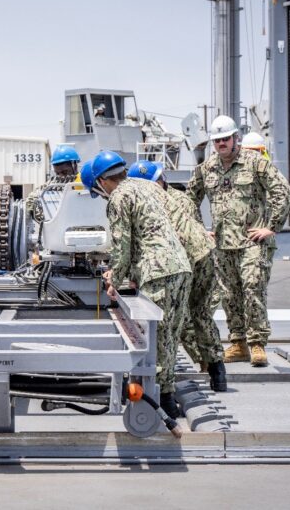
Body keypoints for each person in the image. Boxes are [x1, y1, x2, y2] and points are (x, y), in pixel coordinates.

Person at [83, 152, 192, 418]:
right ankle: (167, 402)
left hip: (157, 272)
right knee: (170, 338)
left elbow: (122, 246)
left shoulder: (118, 197)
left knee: (153, 340)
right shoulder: (146, 186)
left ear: (102, 182)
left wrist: (115, 280)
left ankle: (155, 407)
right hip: (181, 266)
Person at [187, 115, 290, 367]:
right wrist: (200, 230)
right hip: (223, 245)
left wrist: (271, 227)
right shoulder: (207, 168)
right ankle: (238, 343)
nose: (222, 144)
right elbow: (189, 198)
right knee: (229, 295)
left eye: (226, 139)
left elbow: (283, 192)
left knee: (253, 289)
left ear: (236, 138)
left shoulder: (255, 163)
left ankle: (257, 344)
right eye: (217, 140)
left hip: (251, 243)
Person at [128, 160, 226, 391]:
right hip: (202, 256)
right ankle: (216, 370)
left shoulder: (153, 203)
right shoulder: (182, 199)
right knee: (200, 314)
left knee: (175, 321)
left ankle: (172, 380)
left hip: (183, 262)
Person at [25, 144, 80, 223]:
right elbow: (31, 199)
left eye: (64, 172)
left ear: (74, 166)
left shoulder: (85, 182)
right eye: (57, 173)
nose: (61, 176)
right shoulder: (51, 184)